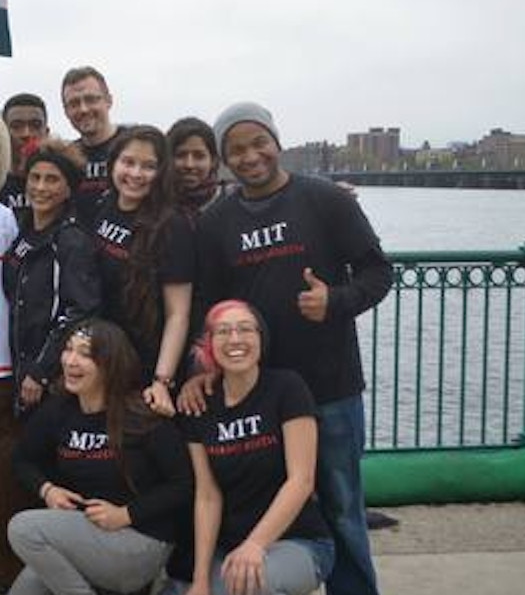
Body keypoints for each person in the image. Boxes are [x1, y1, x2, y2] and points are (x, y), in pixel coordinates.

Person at [186, 102, 392, 595]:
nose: (250, 155)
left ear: (277, 142)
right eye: (235, 149)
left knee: (343, 507)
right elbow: (206, 305)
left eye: (259, 142)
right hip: (262, 395)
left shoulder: (326, 201)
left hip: (330, 385)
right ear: (224, 160)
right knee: (278, 507)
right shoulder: (216, 222)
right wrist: (200, 366)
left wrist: (336, 300)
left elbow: (378, 272)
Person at [8, 318, 193, 595]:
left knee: (24, 529)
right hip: (85, 536)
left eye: (85, 354)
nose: (71, 361)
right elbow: (21, 459)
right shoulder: (58, 410)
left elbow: (183, 485)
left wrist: (125, 515)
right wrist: (47, 490)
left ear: (110, 364)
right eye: (68, 349)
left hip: (141, 541)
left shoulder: (143, 413)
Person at [174, 300, 333, 595]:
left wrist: (255, 545)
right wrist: (200, 580)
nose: (235, 339)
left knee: (249, 586)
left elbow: (301, 480)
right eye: (223, 332)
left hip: (297, 541)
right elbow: (207, 496)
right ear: (210, 344)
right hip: (230, 547)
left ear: (261, 338)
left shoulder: (287, 388)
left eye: (245, 329)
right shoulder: (199, 406)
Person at [90, 125, 195, 417]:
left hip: (144, 365)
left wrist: (162, 381)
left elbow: (178, 314)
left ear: (162, 173)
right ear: (113, 163)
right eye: (128, 162)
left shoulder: (172, 226)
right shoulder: (104, 205)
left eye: (149, 166)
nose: (135, 174)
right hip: (103, 356)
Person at [3, 139, 100, 416]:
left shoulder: (72, 242)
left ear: (69, 189)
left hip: (50, 379)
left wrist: (41, 372)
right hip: (17, 370)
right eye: (35, 177)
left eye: (52, 180)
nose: (41, 187)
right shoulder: (20, 233)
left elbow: (80, 311)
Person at [59, 66, 122, 226]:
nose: (84, 109)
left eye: (91, 99)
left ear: (109, 100)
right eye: (74, 103)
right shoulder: (66, 156)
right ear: (66, 111)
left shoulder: (132, 146)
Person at [0, 93, 52, 214]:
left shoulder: (62, 186)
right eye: (17, 126)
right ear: (3, 133)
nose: (26, 134)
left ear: (47, 132)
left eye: (35, 125)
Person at [167, 118, 229, 218]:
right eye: (180, 155)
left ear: (213, 161)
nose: (189, 165)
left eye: (199, 156)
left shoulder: (232, 203)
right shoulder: (155, 209)